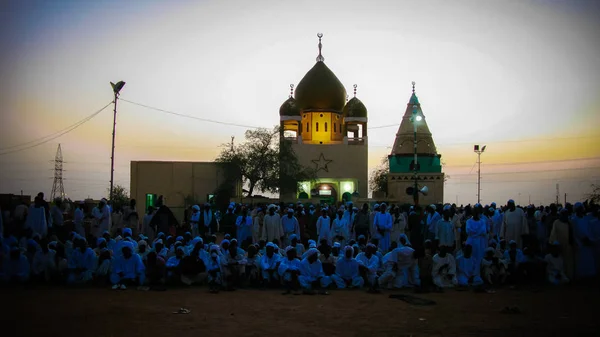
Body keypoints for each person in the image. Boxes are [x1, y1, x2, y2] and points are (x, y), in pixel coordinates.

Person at [570, 202, 596, 279]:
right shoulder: (574, 220)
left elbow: (589, 230)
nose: (580, 210)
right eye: (578, 209)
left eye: (581, 209)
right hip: (580, 243)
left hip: (588, 242)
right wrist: (582, 239)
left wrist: (590, 239)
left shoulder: (586, 219)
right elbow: (576, 232)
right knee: (581, 260)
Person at [549, 209, 575, 279]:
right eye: (563, 214)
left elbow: (572, 235)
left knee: (569, 263)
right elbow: (553, 235)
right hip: (559, 246)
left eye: (565, 214)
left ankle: (569, 276)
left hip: (568, 247)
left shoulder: (569, 223)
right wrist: (555, 245)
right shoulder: (556, 223)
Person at [465, 204, 487, 274]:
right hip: (471, 242)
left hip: (480, 242)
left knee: (479, 258)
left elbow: (483, 231)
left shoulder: (482, 221)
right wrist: (477, 232)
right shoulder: (468, 221)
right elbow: (468, 231)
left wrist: (475, 233)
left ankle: (477, 273)